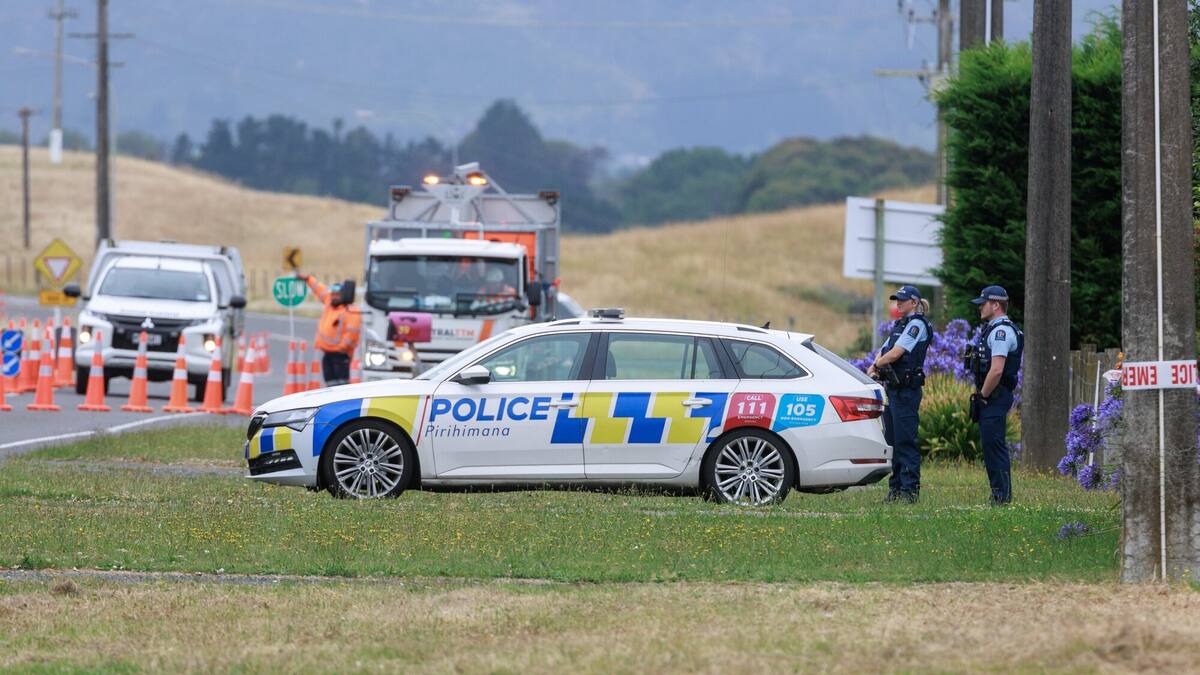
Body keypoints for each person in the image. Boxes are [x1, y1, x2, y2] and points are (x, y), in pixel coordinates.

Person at [868, 285, 932, 504]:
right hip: (894, 390)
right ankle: (895, 489)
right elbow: (885, 349)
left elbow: (896, 353)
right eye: (897, 299)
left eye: (903, 300)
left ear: (914, 303)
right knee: (894, 441)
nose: (898, 303)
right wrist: (874, 367)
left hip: (907, 391)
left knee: (906, 442)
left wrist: (876, 365)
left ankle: (909, 491)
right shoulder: (900, 325)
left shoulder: (917, 325)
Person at [967, 285, 1023, 505]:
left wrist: (982, 395)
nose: (980, 307)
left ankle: (1001, 497)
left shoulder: (1001, 332)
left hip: (995, 395)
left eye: (983, 303)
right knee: (991, 446)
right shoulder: (994, 329)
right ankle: (999, 494)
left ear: (996, 304)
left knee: (994, 446)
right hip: (994, 395)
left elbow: (997, 369)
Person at [299, 273, 361, 387]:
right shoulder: (330, 304)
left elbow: (352, 334)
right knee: (330, 386)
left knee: (342, 387)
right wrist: (308, 279)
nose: (334, 296)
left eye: (337, 294)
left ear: (344, 295)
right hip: (327, 354)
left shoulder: (350, 312)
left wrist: (341, 349)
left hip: (341, 356)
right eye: (333, 294)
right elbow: (319, 289)